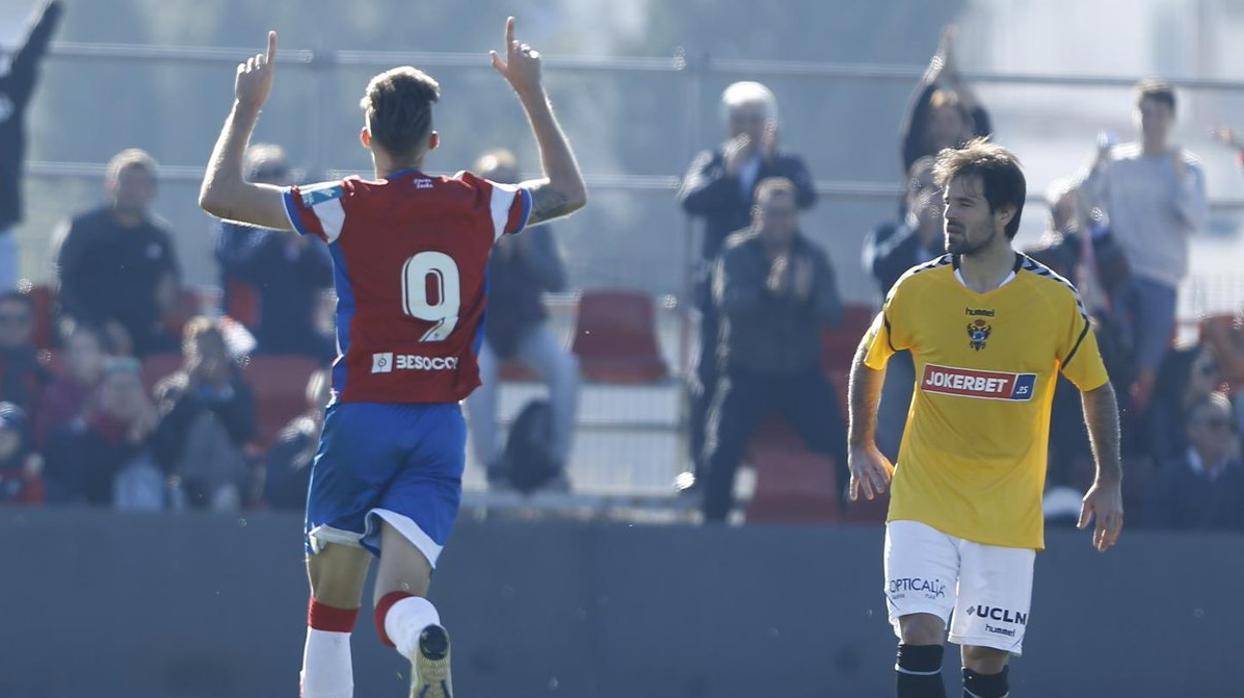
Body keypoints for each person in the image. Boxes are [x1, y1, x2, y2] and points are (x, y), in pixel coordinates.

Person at [197, 20, 586, 698]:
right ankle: (421, 639)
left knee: (331, 609)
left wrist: (246, 106)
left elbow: (221, 197)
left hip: (363, 420)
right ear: (432, 142)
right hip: (439, 425)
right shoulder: (479, 201)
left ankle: (405, 648)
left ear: (367, 138)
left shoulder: (346, 203)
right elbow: (566, 191)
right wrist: (532, 93)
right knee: (399, 595)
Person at [847, 140, 1124, 698]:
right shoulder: (918, 287)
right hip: (924, 498)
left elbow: (1096, 388)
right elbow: (868, 357)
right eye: (949, 202)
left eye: (966, 204)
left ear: (1005, 214)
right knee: (920, 630)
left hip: (1006, 510)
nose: (950, 213)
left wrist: (1109, 478)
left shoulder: (1053, 301)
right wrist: (861, 441)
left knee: (985, 658)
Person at [678, 81, 816, 484]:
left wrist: (770, 165)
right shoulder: (713, 161)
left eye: (755, 119)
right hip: (722, 292)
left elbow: (806, 195)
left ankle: (792, 476)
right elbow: (690, 200)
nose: (747, 128)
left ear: (770, 123)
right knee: (705, 376)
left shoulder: (785, 163)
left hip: (777, 297)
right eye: (739, 120)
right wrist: (728, 175)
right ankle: (699, 469)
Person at [700, 177, 845, 521]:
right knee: (720, 451)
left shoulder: (813, 256)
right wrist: (768, 291)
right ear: (756, 215)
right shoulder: (735, 252)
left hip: (799, 374)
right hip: (746, 372)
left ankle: (843, 526)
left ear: (796, 217)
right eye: (772, 213)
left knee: (840, 446)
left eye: (786, 213)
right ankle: (711, 530)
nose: (779, 221)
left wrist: (806, 297)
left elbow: (833, 313)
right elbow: (728, 303)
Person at [1079, 80, 1207, 408]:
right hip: (1119, 276)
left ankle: (1142, 436)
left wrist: (1179, 179)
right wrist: (1096, 163)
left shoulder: (1188, 167)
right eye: (1145, 113)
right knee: (1111, 359)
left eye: (1159, 114)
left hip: (1162, 279)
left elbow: (1196, 218)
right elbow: (1085, 202)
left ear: (1171, 118)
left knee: (1149, 369)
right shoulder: (1118, 163)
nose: (1151, 121)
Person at [464, 148, 579, 489]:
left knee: (566, 368)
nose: (500, 191)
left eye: (508, 183)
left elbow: (558, 280)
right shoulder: (466, 227)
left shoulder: (536, 227)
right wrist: (489, 256)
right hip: (482, 331)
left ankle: (555, 462)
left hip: (527, 328)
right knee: (477, 373)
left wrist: (527, 254)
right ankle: (494, 465)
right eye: (492, 183)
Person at [53, 148, 182, 356]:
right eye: (126, 182)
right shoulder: (83, 229)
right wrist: (104, 324)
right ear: (110, 185)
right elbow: (66, 286)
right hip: (87, 324)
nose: (132, 190)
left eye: (141, 183)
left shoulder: (159, 236)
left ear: (152, 190)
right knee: (85, 346)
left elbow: (168, 285)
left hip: (142, 329)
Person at [215, 143, 335, 361]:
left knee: (337, 356)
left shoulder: (303, 222)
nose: (270, 180)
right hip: (248, 328)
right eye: (261, 174)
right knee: (242, 358)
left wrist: (305, 247)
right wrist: (274, 229)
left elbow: (325, 276)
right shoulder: (232, 219)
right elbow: (236, 266)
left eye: (277, 173)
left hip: (298, 329)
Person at [861, 156, 942, 458]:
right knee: (893, 417)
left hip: (939, 347)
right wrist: (915, 230)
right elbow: (879, 267)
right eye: (922, 188)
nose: (930, 197)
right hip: (897, 347)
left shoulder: (954, 243)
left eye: (938, 189)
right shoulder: (887, 234)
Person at [151, 317, 256, 511]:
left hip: (228, 472)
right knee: (204, 426)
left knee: (211, 426)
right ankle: (192, 491)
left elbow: (244, 433)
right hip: (182, 470)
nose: (206, 361)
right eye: (200, 353)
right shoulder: (172, 391)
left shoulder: (239, 391)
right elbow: (164, 440)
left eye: (212, 352)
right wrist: (186, 395)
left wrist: (220, 391)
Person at [0, 0, 63, 291]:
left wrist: (53, 8)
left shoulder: (11, 89)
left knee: (6, 302)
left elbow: (31, 52)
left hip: (1, 223)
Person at [42, 356, 161, 508]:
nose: (124, 394)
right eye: (117, 387)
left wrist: (156, 430)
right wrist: (132, 440)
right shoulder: (83, 435)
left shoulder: (157, 431)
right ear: (101, 394)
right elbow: (93, 483)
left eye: (131, 386)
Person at [1144, 392, 1244, 531]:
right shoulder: (1168, 479)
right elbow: (1154, 535)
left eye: (1230, 425)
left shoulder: (1240, 478)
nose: (1224, 430)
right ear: (1192, 430)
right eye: (1215, 424)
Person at [899, 26, 991, 176]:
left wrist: (954, 76)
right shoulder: (916, 162)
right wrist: (939, 62)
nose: (943, 128)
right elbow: (916, 112)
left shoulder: (973, 167)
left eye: (950, 120)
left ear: (962, 125)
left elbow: (980, 117)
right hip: (923, 200)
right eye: (936, 121)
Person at [264, 369, 330, 510]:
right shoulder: (291, 440)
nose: (331, 401)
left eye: (336, 393)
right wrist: (313, 451)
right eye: (326, 394)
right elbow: (277, 492)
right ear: (313, 396)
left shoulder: (356, 442)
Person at [0, 290, 48, 413]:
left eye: (21, 319)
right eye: (4, 319)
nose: (12, 326)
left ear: (33, 323)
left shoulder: (48, 369)